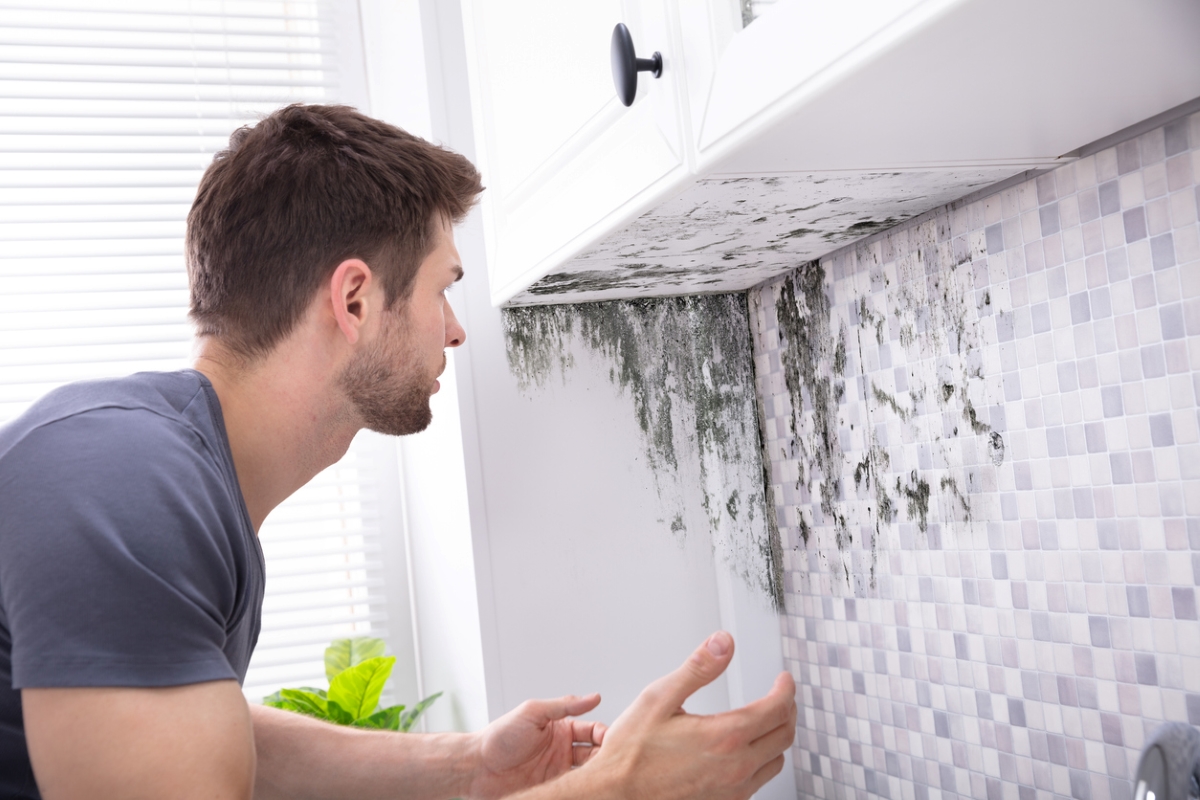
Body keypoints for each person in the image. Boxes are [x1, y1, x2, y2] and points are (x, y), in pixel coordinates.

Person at [0, 104, 796, 799]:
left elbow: (197, 735)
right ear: (354, 300)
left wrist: (466, 770)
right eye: (441, 288)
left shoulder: (158, 475)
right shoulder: (120, 479)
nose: (453, 327)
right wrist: (617, 790)